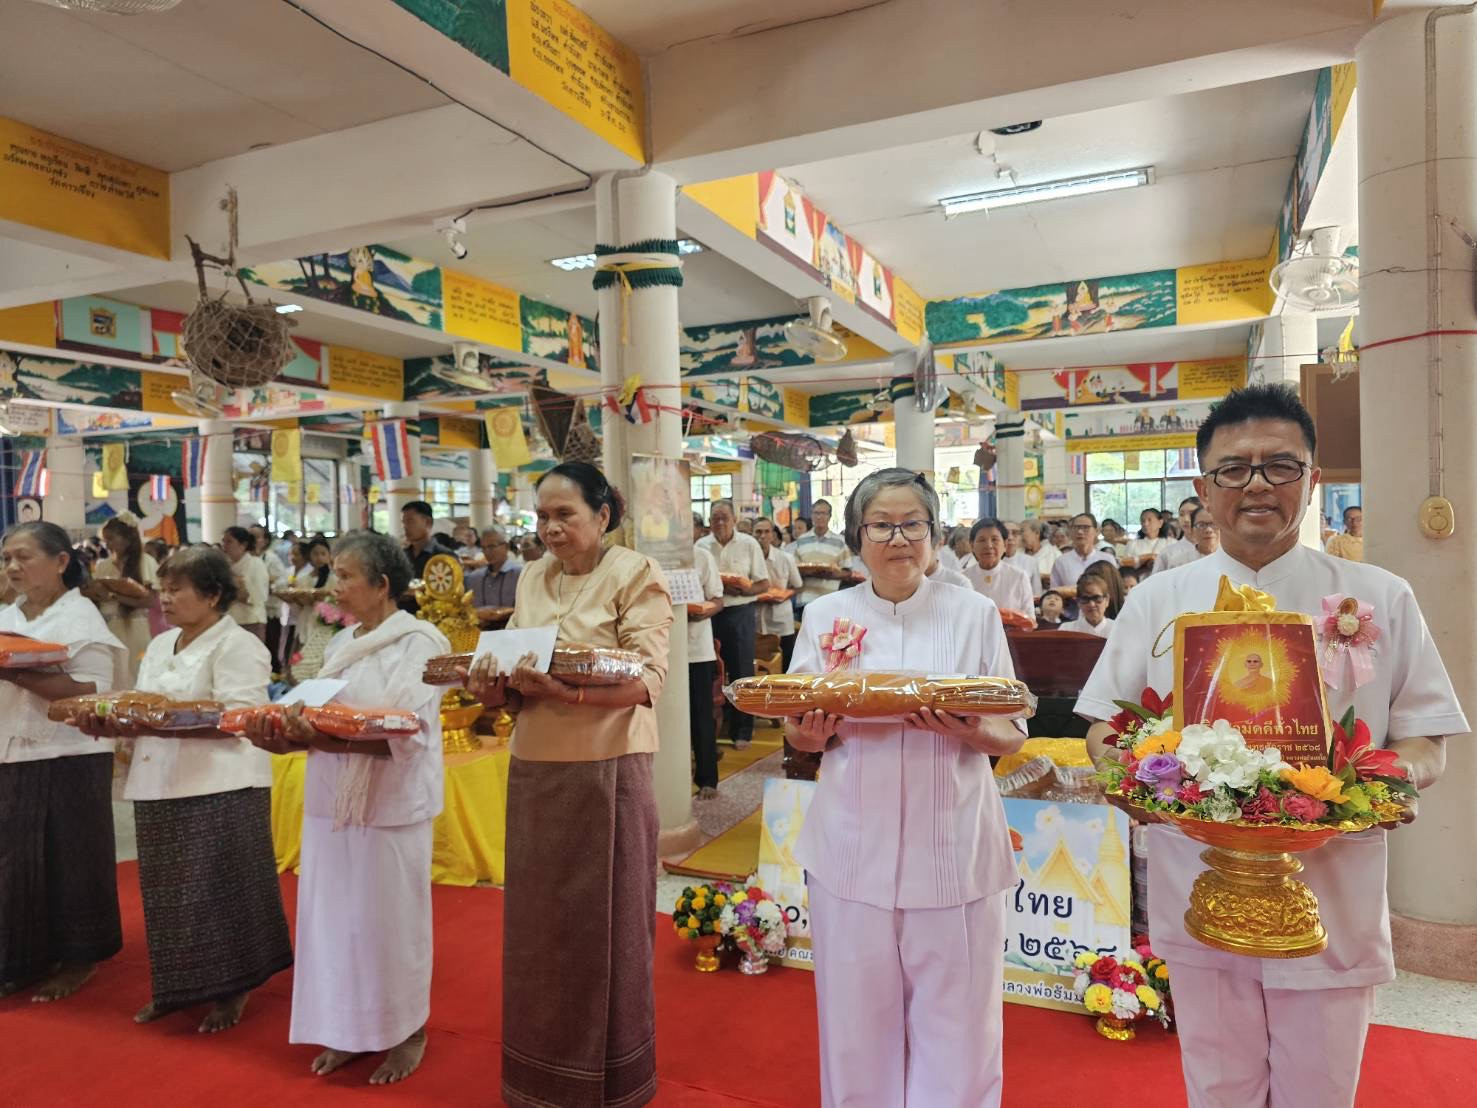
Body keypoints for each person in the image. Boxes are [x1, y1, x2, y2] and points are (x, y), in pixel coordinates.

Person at [1076, 384, 1466, 1108]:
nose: (1256, 484)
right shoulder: (1160, 599)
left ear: (1312, 481)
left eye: (1279, 466)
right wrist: (1126, 778)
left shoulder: (1376, 595)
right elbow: (1105, 724)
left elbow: (1425, 740)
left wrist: (1377, 790)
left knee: (1317, 1093)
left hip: (1330, 895)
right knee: (1216, 1090)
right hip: (1196, 884)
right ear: (1202, 487)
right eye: (1233, 468)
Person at [785, 469, 1026, 1106]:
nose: (898, 539)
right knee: (854, 1025)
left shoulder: (973, 614)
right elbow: (798, 732)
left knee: (961, 1030)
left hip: (953, 850)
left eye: (912, 524)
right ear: (856, 539)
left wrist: (970, 729)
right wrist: (812, 731)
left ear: (935, 536)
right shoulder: (824, 616)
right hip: (849, 854)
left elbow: (1012, 732)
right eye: (881, 525)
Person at [463, 462, 672, 1108]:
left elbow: (646, 682)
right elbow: (520, 670)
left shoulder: (635, 574)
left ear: (603, 516)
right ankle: (539, 1077)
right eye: (541, 517)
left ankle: (610, 1083)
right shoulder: (531, 576)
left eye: (565, 516)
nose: (550, 530)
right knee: (539, 932)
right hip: (535, 772)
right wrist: (495, 692)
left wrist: (566, 689)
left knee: (606, 930)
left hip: (607, 771)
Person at [244, 531, 449, 1086]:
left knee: (390, 924)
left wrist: (321, 734)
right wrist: (284, 734)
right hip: (333, 799)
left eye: (347, 574)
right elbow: (320, 713)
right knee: (334, 920)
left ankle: (406, 1031)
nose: (336, 584)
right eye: (334, 572)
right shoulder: (342, 643)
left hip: (391, 802)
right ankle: (345, 1030)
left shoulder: (421, 642)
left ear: (383, 585)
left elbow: (402, 729)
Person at [75, 546, 292, 1033]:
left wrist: (163, 719)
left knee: (220, 888)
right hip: (159, 780)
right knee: (167, 894)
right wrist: (119, 722)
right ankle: (176, 987)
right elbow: (143, 706)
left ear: (213, 595)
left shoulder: (238, 645)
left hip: (220, 781)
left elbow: (241, 717)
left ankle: (233, 987)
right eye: (162, 590)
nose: (165, 599)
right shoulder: (160, 643)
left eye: (177, 590)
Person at [0, 521, 125, 1002]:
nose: (13, 566)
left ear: (60, 562)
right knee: (16, 859)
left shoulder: (81, 619)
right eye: (8, 557)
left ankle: (78, 958)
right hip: (13, 748)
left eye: (24, 556)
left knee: (71, 856)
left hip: (71, 751)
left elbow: (89, 691)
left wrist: (16, 672)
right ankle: (24, 957)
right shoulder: (9, 617)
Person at [698, 501, 770, 751]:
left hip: (740, 612)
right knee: (710, 672)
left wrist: (745, 588)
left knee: (741, 672)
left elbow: (764, 584)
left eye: (724, 518)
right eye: (715, 518)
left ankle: (743, 731)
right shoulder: (701, 546)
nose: (719, 523)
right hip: (709, 614)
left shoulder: (749, 544)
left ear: (735, 518)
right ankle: (714, 729)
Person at [85, 515, 158, 685]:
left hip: (136, 628)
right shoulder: (103, 566)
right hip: (109, 628)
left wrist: (115, 596)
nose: (108, 545)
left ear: (127, 539)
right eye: (106, 540)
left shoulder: (146, 562)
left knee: (137, 674)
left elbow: (150, 601)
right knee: (113, 677)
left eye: (111, 539)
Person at [687, 539, 724, 800]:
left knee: (701, 715)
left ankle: (707, 779)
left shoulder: (701, 557)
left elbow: (717, 600)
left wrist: (702, 611)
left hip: (696, 649)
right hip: (660, 649)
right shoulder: (650, 558)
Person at [964, 518, 1035, 625]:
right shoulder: (963, 579)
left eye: (994, 539)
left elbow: (1030, 620)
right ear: (972, 545)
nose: (988, 545)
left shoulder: (1018, 577)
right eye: (982, 540)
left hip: (1009, 640)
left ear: (1005, 545)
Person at [754, 518, 803, 672]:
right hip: (755, 618)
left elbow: (798, 586)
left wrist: (782, 595)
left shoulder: (785, 558)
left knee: (785, 664)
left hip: (781, 619)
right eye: (758, 532)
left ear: (773, 535)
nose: (762, 535)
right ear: (752, 534)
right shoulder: (748, 559)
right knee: (757, 663)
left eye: (766, 531)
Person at [791, 498, 851, 615]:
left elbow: (848, 572)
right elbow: (794, 570)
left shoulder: (840, 541)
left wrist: (831, 573)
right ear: (811, 516)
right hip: (804, 600)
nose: (820, 517)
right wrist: (809, 572)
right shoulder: (802, 540)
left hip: (830, 600)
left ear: (829, 516)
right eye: (816, 513)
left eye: (824, 513)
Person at [288, 539, 337, 681]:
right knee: (300, 651)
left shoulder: (334, 579)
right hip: (305, 619)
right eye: (315, 554)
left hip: (326, 623)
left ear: (329, 556)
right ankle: (297, 680)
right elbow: (297, 606)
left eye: (323, 553)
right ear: (309, 556)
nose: (319, 558)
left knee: (322, 655)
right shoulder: (302, 579)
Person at [1048, 513, 1116, 609]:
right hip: (1071, 615)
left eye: (1085, 527)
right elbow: (1054, 592)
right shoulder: (1061, 561)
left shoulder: (1107, 560)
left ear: (1096, 531)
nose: (1080, 532)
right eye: (1076, 527)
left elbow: (1113, 591)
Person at [221, 526, 268, 641]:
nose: (225, 546)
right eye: (224, 541)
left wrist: (237, 589)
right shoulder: (224, 566)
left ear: (243, 545)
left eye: (229, 541)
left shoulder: (255, 564)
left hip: (251, 620)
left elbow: (261, 596)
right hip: (229, 620)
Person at [466, 526, 520, 624]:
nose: (487, 552)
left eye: (491, 547)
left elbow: (528, 609)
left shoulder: (520, 574)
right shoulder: (474, 578)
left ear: (506, 546)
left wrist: (499, 613)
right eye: (483, 548)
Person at [401, 501, 455, 580]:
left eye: (410, 521)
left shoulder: (445, 557)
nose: (405, 527)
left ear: (428, 522)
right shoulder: (402, 556)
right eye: (403, 522)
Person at [1152, 496, 1204, 573]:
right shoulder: (1167, 553)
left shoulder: (1218, 549)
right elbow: (1156, 582)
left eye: (1191, 513)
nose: (1186, 519)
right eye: (1181, 514)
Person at [1059, 573, 1115, 638]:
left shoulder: (1117, 629)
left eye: (1097, 598)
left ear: (1107, 600)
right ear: (1078, 602)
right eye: (1085, 599)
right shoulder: (1066, 630)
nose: (1091, 604)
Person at [1124, 507, 1171, 574]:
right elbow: (1125, 564)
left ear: (1160, 522)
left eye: (1149, 520)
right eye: (1143, 521)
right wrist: (1148, 557)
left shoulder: (1171, 542)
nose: (1145, 524)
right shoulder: (1132, 544)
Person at [1021, 519, 1059, 596]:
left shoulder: (1054, 554)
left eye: (1022, 531)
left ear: (1037, 533)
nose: (1019, 536)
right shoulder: (1017, 553)